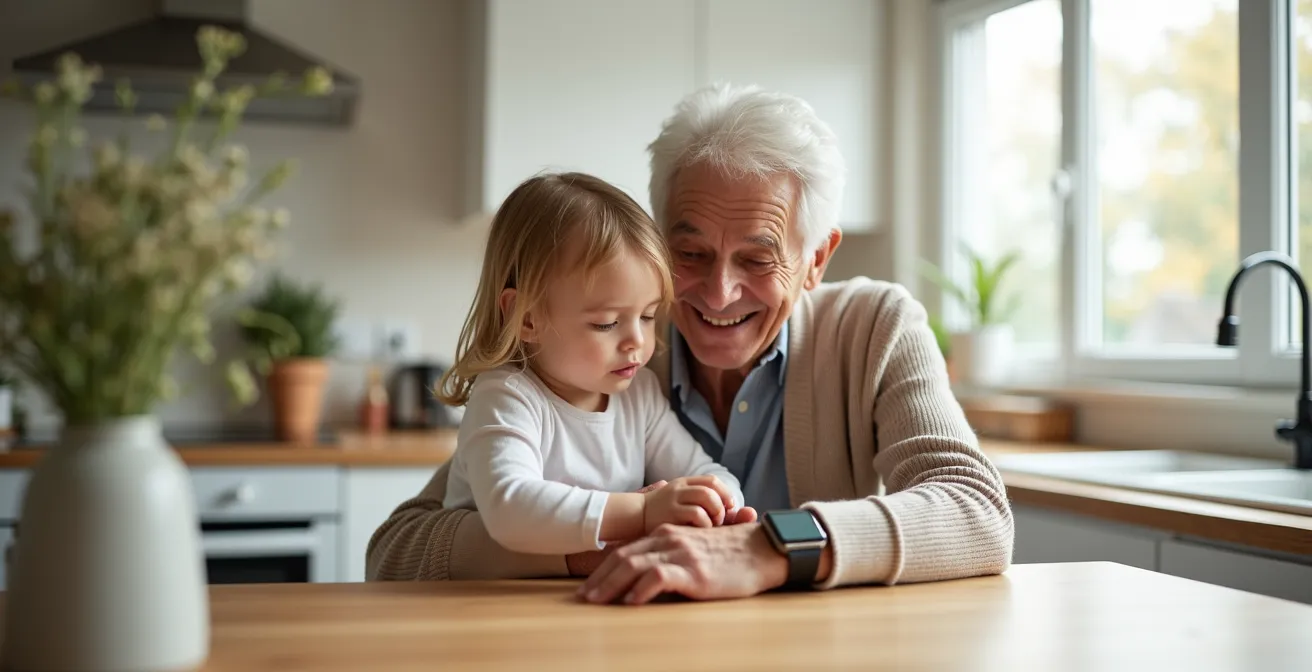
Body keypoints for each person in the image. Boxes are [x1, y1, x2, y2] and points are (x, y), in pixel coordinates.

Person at [367, 84, 1013, 603]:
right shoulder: (600, 352)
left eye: (758, 259)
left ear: (816, 259)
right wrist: (603, 541)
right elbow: (398, 548)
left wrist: (767, 548)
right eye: (690, 253)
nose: (718, 292)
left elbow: (977, 511)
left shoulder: (876, 329)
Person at [434, 171, 748, 558]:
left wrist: (720, 502)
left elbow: (705, 472)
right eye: (607, 323)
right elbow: (510, 508)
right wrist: (644, 511)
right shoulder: (505, 396)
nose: (637, 340)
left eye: (648, 316)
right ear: (526, 318)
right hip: (479, 605)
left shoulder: (640, 395)